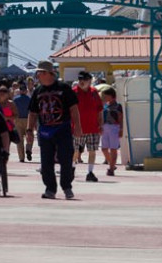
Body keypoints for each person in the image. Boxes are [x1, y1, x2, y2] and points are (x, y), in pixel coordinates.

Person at [27, 61, 81, 200]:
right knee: (46, 162)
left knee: (65, 159)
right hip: (44, 131)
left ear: (50, 73)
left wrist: (78, 127)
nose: (39, 75)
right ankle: (50, 188)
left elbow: (73, 108)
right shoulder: (38, 91)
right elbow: (32, 112)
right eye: (38, 72)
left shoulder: (63, 88)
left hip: (62, 129)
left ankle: (67, 187)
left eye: (42, 72)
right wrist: (29, 131)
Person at [72, 71, 104, 183]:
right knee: (75, 150)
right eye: (80, 79)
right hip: (77, 128)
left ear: (90, 81)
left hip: (93, 127)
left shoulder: (94, 93)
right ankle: (72, 168)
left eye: (84, 80)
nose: (81, 82)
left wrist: (101, 124)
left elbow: (100, 110)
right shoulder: (74, 92)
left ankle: (90, 172)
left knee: (92, 150)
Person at [99, 86, 124, 176]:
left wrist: (121, 129)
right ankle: (112, 164)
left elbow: (121, 118)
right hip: (105, 127)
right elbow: (101, 116)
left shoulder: (118, 106)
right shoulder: (104, 105)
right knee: (104, 148)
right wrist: (100, 126)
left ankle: (111, 169)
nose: (104, 97)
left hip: (114, 127)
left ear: (111, 96)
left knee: (113, 149)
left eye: (106, 96)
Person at [0, 85, 20, 159]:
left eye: (4, 91)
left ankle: (3, 166)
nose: (2, 93)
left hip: (8, 129)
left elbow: (16, 115)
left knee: (5, 150)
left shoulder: (11, 104)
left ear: (8, 93)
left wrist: (7, 118)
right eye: (0, 91)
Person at [12, 83, 32, 162]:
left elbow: (12, 110)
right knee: (30, 137)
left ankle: (21, 157)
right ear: (26, 91)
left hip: (18, 119)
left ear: (19, 91)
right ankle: (28, 149)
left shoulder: (15, 99)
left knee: (19, 140)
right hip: (28, 119)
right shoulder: (29, 99)